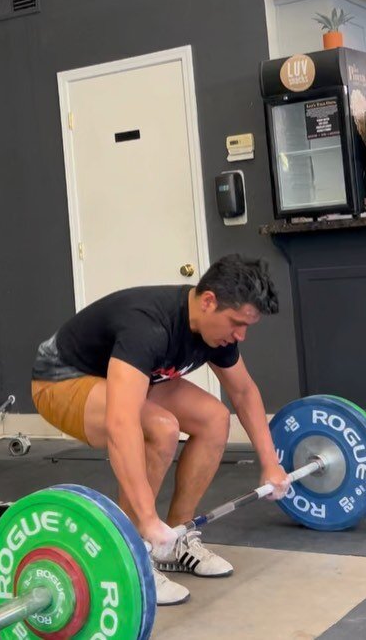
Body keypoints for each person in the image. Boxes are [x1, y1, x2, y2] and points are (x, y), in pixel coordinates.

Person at [31, 254, 290, 605]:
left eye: (247, 326)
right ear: (209, 301)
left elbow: (243, 392)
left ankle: (173, 542)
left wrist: (269, 463)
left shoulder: (216, 332)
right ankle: (133, 549)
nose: (240, 335)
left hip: (119, 374)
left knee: (215, 418)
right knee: (161, 428)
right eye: (236, 323)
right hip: (61, 380)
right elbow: (121, 423)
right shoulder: (148, 326)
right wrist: (147, 519)